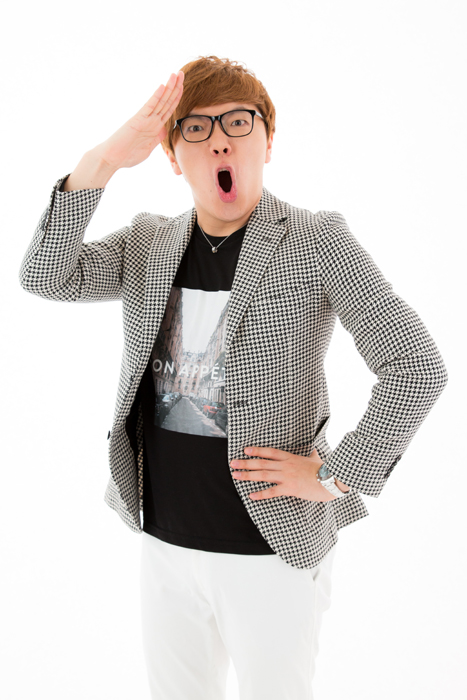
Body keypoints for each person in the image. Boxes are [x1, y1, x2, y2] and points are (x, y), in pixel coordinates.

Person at [18, 55, 448, 700]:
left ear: (268, 141)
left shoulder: (316, 240)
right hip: (165, 541)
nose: (219, 139)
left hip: (270, 547)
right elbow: (46, 276)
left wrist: (334, 475)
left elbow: (415, 364)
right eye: (196, 127)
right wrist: (102, 160)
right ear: (172, 155)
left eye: (239, 122)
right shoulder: (147, 243)